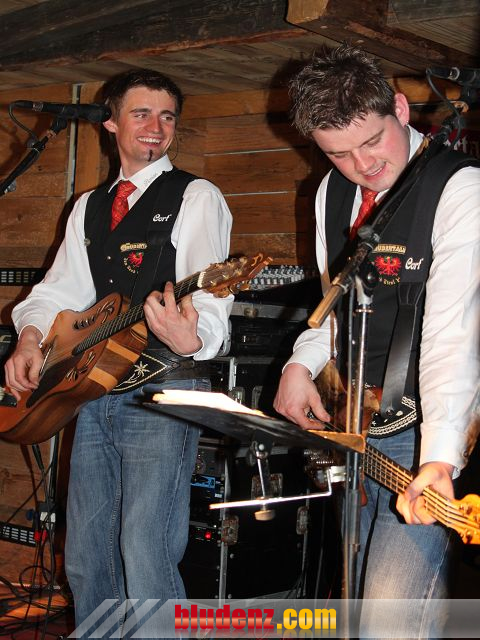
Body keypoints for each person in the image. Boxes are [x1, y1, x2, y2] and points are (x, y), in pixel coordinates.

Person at [5, 69, 233, 636]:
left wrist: (193, 337)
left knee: (146, 551)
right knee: (87, 555)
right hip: (95, 388)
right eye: (141, 113)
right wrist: (30, 337)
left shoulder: (196, 196)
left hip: (165, 388)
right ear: (110, 123)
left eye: (167, 116)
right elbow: (59, 291)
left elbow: (209, 299)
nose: (156, 126)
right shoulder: (88, 205)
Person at [274, 44, 480, 636]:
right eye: (338, 153)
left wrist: (438, 457)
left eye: (372, 141)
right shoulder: (329, 193)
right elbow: (334, 303)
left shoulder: (460, 187)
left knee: (389, 624)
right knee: (356, 608)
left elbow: (453, 331)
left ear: (400, 108)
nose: (362, 165)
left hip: (430, 425)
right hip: (358, 422)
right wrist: (300, 365)